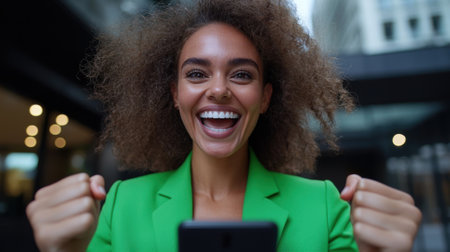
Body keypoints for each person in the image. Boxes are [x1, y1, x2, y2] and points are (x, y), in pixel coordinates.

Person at [26, 0, 422, 251]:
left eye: (242, 76)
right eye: (197, 74)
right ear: (175, 94)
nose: (218, 90)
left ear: (265, 98)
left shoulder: (325, 206)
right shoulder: (119, 206)